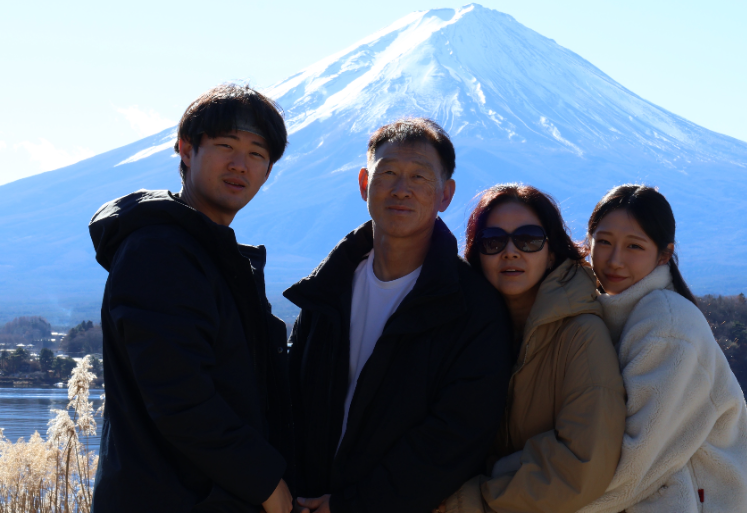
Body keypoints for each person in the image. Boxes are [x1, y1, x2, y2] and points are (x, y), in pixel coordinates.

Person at [284, 118, 512, 513]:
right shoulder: (327, 288)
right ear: (363, 184)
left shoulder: (473, 308)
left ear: (446, 195)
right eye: (387, 172)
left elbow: (454, 436)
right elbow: (289, 402)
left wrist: (352, 505)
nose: (401, 189)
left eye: (420, 177)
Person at [88, 84, 295, 513]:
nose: (241, 164)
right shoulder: (160, 251)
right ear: (185, 150)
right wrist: (268, 487)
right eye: (225, 146)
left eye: (258, 154)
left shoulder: (210, 254)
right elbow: (180, 396)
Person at [444, 184, 626, 513]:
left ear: (552, 251)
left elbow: (582, 464)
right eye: (493, 241)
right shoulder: (462, 334)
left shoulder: (580, 335)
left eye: (528, 239)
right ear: (477, 254)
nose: (510, 252)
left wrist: (475, 499)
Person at [580, 184, 747, 513]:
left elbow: (634, 467)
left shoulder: (667, 324)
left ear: (663, 254)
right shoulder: (602, 314)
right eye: (604, 242)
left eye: (634, 246)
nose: (615, 260)